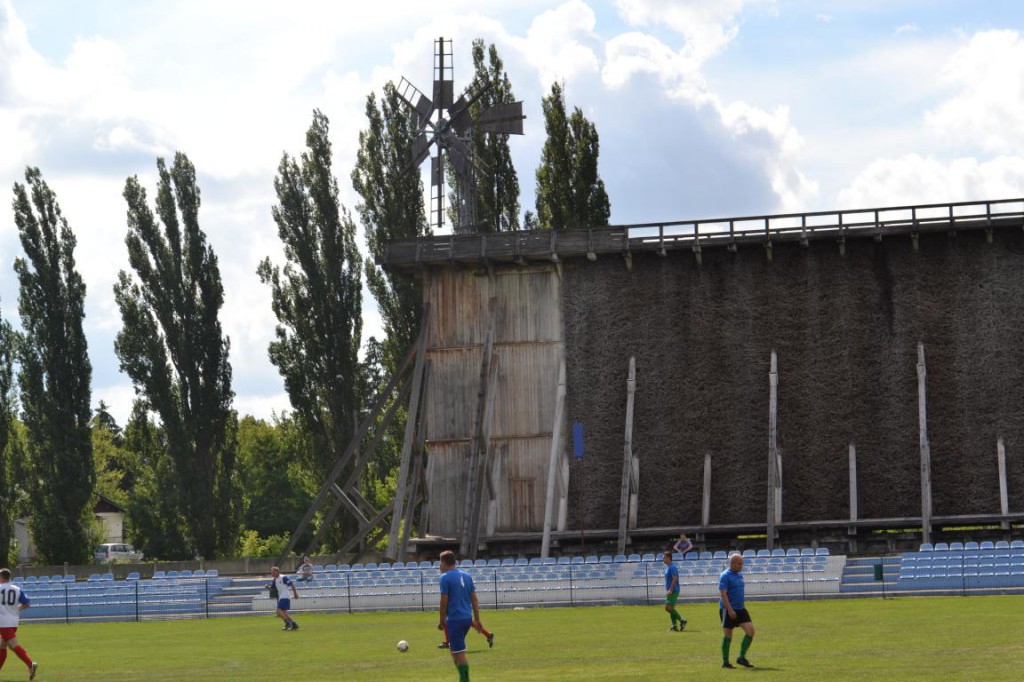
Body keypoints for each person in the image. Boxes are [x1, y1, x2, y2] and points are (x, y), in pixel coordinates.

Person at [438, 550, 483, 682]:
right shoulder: (467, 575)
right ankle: (463, 677)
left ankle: (465, 680)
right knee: (453, 649)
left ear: (444, 563)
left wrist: (442, 620)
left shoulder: (444, 578)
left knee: (459, 653)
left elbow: (443, 602)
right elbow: (474, 599)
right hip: (466, 619)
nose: (439, 566)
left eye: (440, 562)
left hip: (455, 620)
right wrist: (477, 619)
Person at [718, 552, 755, 669]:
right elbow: (723, 594)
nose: (741, 566)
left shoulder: (739, 575)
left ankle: (741, 658)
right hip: (727, 609)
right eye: (739, 564)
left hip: (740, 609)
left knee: (750, 631)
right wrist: (730, 610)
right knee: (728, 636)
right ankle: (726, 662)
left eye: (742, 563)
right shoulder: (725, 575)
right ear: (732, 564)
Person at [0, 569, 37, 680]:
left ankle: (31, 664)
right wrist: (17, 608)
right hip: (13, 622)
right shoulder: (17, 589)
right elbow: (27, 604)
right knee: (2, 646)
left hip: (3, 622)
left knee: (13, 645)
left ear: (1, 577)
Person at [268, 566, 300, 630]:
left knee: (278, 611)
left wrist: (295, 594)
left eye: (273, 572)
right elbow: (272, 587)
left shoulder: (283, 577)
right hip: (281, 597)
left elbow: (291, 584)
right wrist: (268, 587)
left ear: (277, 572)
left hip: (285, 596)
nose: (272, 573)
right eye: (271, 572)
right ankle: (294, 624)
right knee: (284, 613)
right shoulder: (274, 580)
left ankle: (288, 623)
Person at [663, 551, 687, 631]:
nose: (663, 559)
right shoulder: (668, 567)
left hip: (673, 590)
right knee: (671, 608)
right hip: (672, 590)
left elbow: (675, 578)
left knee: (667, 608)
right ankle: (674, 627)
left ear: (668, 558)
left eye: (664, 557)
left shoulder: (672, 567)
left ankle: (682, 620)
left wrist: (670, 589)